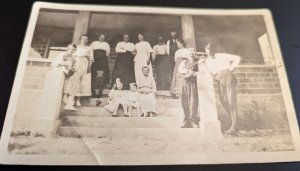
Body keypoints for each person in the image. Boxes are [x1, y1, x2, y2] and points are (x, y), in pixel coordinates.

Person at [204, 43, 241, 134]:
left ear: (214, 49)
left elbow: (237, 58)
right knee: (223, 101)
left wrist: (231, 68)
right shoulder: (207, 60)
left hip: (227, 76)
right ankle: (234, 121)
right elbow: (208, 72)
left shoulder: (222, 56)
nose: (208, 50)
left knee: (231, 101)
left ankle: (234, 126)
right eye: (207, 49)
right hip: (218, 79)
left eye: (210, 48)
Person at [51, 44, 78, 111]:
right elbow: (55, 63)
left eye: (74, 50)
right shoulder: (63, 55)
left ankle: (69, 104)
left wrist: (73, 69)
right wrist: (66, 64)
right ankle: (66, 100)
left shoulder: (73, 57)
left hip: (69, 74)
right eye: (71, 49)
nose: (73, 51)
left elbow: (75, 66)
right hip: (62, 72)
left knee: (74, 81)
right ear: (68, 49)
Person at [178, 48, 199, 128]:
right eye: (190, 52)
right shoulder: (184, 62)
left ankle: (193, 121)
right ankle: (186, 121)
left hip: (192, 83)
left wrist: (193, 73)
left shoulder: (198, 62)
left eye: (193, 52)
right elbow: (181, 70)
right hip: (184, 83)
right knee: (184, 101)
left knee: (193, 102)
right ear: (187, 54)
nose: (191, 54)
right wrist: (187, 72)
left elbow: (202, 71)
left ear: (195, 53)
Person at [74, 34, 93, 107]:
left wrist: (89, 68)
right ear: (80, 39)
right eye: (83, 39)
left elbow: (91, 59)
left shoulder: (89, 48)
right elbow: (72, 56)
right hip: (76, 63)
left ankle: (78, 99)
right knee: (75, 81)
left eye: (86, 39)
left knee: (82, 82)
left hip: (84, 64)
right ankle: (72, 99)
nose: (84, 40)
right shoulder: (76, 47)